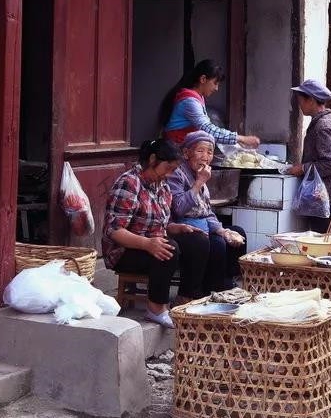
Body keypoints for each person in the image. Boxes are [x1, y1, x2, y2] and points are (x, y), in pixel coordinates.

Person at [102, 139, 209, 328]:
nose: (169, 174)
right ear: (152, 159)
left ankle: (185, 298)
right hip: (124, 251)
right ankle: (156, 308)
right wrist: (147, 244)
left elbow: (161, 223)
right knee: (169, 249)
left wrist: (176, 228)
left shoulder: (162, 186)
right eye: (168, 168)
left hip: (151, 242)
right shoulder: (129, 183)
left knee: (197, 240)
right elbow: (114, 231)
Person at [167, 131, 247, 293]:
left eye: (209, 152)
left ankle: (227, 282)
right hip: (180, 227)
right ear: (186, 153)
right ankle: (211, 289)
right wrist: (199, 182)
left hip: (202, 225)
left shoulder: (200, 173)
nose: (205, 156)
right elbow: (178, 207)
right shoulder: (177, 174)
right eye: (200, 151)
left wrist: (223, 231)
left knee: (237, 233)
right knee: (217, 244)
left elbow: (207, 212)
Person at [287, 80, 331, 232]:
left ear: (311, 100)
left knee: (324, 247)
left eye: (301, 101)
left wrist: (303, 168)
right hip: (325, 198)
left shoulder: (323, 126)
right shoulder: (325, 121)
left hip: (327, 199)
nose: (299, 106)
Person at [160, 59, 260, 148]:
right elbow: (209, 130)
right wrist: (241, 138)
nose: (216, 89)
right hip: (176, 151)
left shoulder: (197, 97)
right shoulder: (190, 102)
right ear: (203, 79)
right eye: (215, 83)